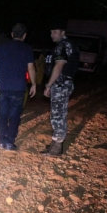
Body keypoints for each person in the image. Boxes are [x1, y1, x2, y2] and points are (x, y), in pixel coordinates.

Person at [0, 23, 36, 151]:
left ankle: (1, 141)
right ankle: (10, 142)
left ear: (12, 34)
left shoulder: (3, 47)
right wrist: (34, 84)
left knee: (3, 114)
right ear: (24, 36)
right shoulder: (27, 49)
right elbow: (31, 67)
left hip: (4, 87)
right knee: (15, 116)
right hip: (19, 88)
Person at [40, 21, 79, 156]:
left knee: (58, 116)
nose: (52, 35)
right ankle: (56, 144)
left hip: (61, 85)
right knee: (58, 114)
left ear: (63, 32)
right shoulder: (64, 45)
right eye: (51, 32)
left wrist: (48, 85)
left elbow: (58, 67)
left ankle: (57, 147)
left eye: (55, 32)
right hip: (62, 84)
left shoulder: (63, 45)